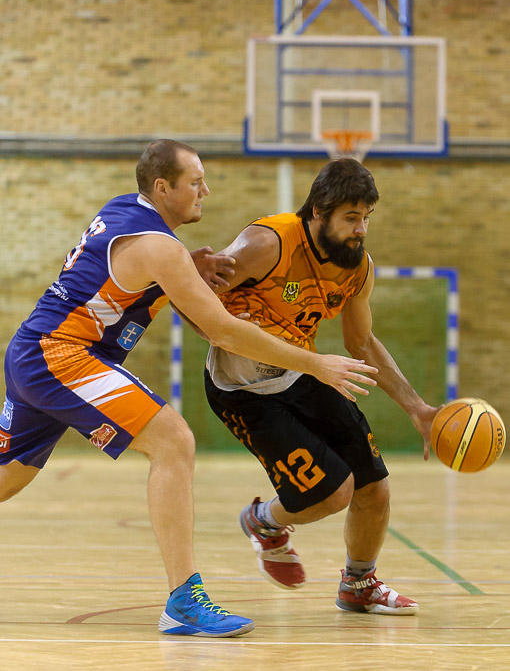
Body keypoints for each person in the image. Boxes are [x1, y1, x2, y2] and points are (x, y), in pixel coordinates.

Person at [0, 141, 379, 638]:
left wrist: (184, 270)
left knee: (7, 478)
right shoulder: (161, 248)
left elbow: (128, 274)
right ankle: (184, 600)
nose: (206, 191)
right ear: (163, 187)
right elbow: (223, 330)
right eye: (195, 182)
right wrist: (316, 363)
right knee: (173, 441)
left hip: (34, 351)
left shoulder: (126, 211)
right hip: (63, 355)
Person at [204, 158, 440, 616]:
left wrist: (417, 408)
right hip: (242, 390)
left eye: (366, 217)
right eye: (351, 218)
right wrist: (224, 330)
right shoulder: (267, 243)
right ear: (318, 211)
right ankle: (263, 521)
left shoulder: (358, 268)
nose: (361, 230)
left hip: (303, 371)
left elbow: (361, 343)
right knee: (333, 492)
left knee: (374, 487)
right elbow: (193, 300)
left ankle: (359, 583)